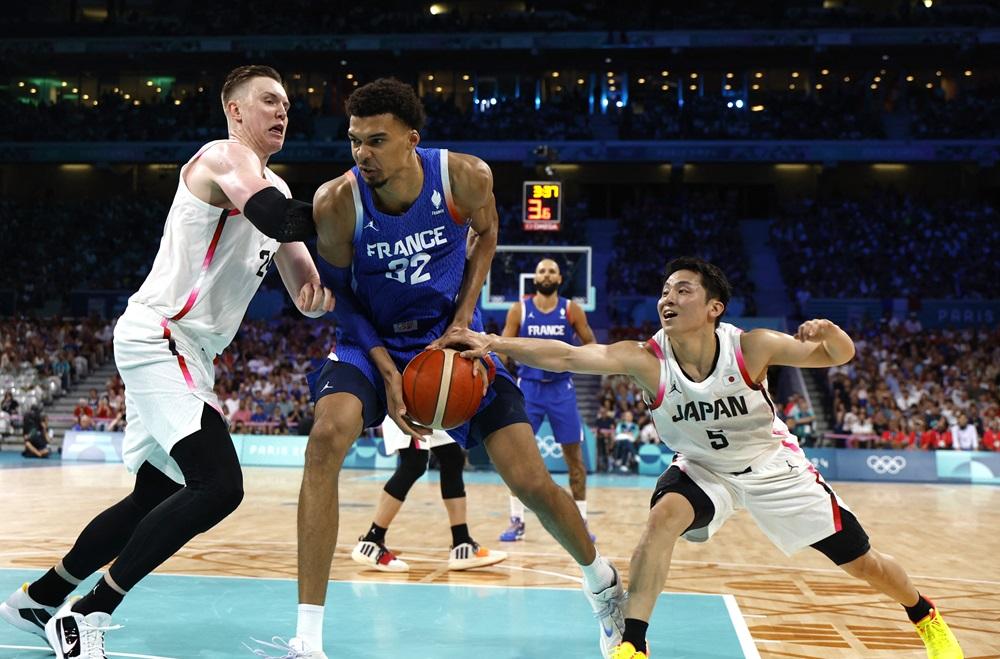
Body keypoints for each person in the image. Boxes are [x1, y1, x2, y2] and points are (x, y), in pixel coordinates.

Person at [441, 256, 963, 659]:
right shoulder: (647, 360)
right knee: (663, 518)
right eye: (665, 291)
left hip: (772, 467)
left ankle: (925, 615)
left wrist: (832, 334)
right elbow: (569, 355)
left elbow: (836, 356)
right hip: (703, 468)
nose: (668, 298)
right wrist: (493, 342)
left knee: (863, 564)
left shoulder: (752, 347)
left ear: (714, 307)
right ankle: (632, 643)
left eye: (683, 290)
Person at [265, 78, 622, 659]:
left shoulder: (465, 176)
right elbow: (341, 296)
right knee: (325, 438)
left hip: (452, 341)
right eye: (355, 141)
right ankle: (307, 638)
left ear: (412, 139)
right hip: (370, 342)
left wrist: (462, 318)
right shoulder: (336, 202)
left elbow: (489, 232)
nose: (362, 154)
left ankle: (601, 581)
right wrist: (384, 367)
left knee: (530, 480)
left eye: (377, 141)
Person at [0, 64, 333, 659]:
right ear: (235, 110)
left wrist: (326, 291)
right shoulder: (223, 158)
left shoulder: (279, 193)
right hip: (163, 336)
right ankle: (89, 611)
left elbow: (306, 292)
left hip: (191, 352)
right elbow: (277, 220)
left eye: (286, 103)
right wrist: (361, 207)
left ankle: (39, 597)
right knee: (219, 486)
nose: (283, 111)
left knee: (153, 495)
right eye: (269, 101)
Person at [498, 257, 598, 542]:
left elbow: (591, 345)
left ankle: (581, 522)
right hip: (528, 389)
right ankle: (517, 521)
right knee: (516, 459)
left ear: (559, 278)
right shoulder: (519, 310)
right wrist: (496, 379)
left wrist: (576, 362)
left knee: (574, 460)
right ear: (535, 278)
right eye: (541, 270)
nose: (546, 274)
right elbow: (503, 349)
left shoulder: (571, 309)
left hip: (561, 389)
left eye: (551, 271)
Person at [350, 419, 506, 572]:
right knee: (414, 463)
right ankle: (372, 541)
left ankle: (461, 544)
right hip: (408, 409)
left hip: (432, 409)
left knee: (452, 458)